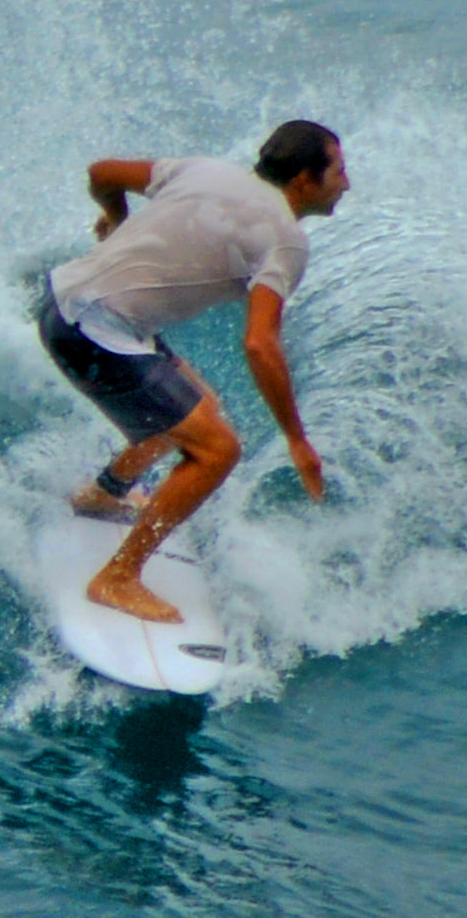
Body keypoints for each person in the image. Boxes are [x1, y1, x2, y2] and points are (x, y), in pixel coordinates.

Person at [35, 119, 351, 623]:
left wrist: (114, 216)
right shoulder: (286, 241)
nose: (347, 183)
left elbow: (101, 173)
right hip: (92, 330)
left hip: (61, 301)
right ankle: (117, 578)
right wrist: (297, 439)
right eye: (338, 170)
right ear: (303, 181)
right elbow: (260, 343)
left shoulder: (203, 170)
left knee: (192, 406)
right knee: (217, 450)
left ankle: (104, 494)